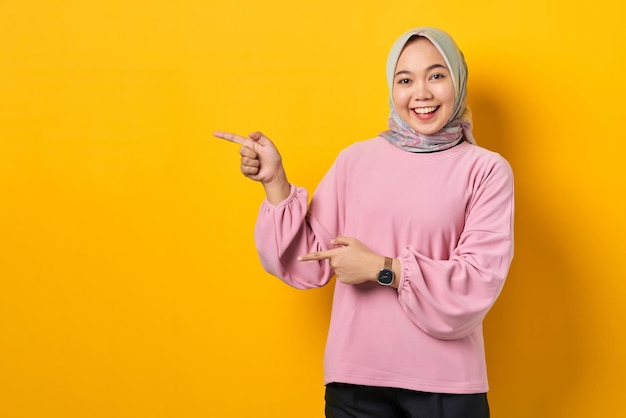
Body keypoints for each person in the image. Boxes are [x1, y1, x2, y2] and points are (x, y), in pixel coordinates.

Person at [214, 26, 513, 418]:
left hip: (447, 388)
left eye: (436, 76)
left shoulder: (485, 169)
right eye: (405, 80)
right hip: (356, 385)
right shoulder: (356, 161)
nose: (421, 93)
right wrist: (275, 183)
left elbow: (478, 281)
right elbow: (306, 260)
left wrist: (382, 269)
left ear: (458, 81)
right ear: (392, 87)